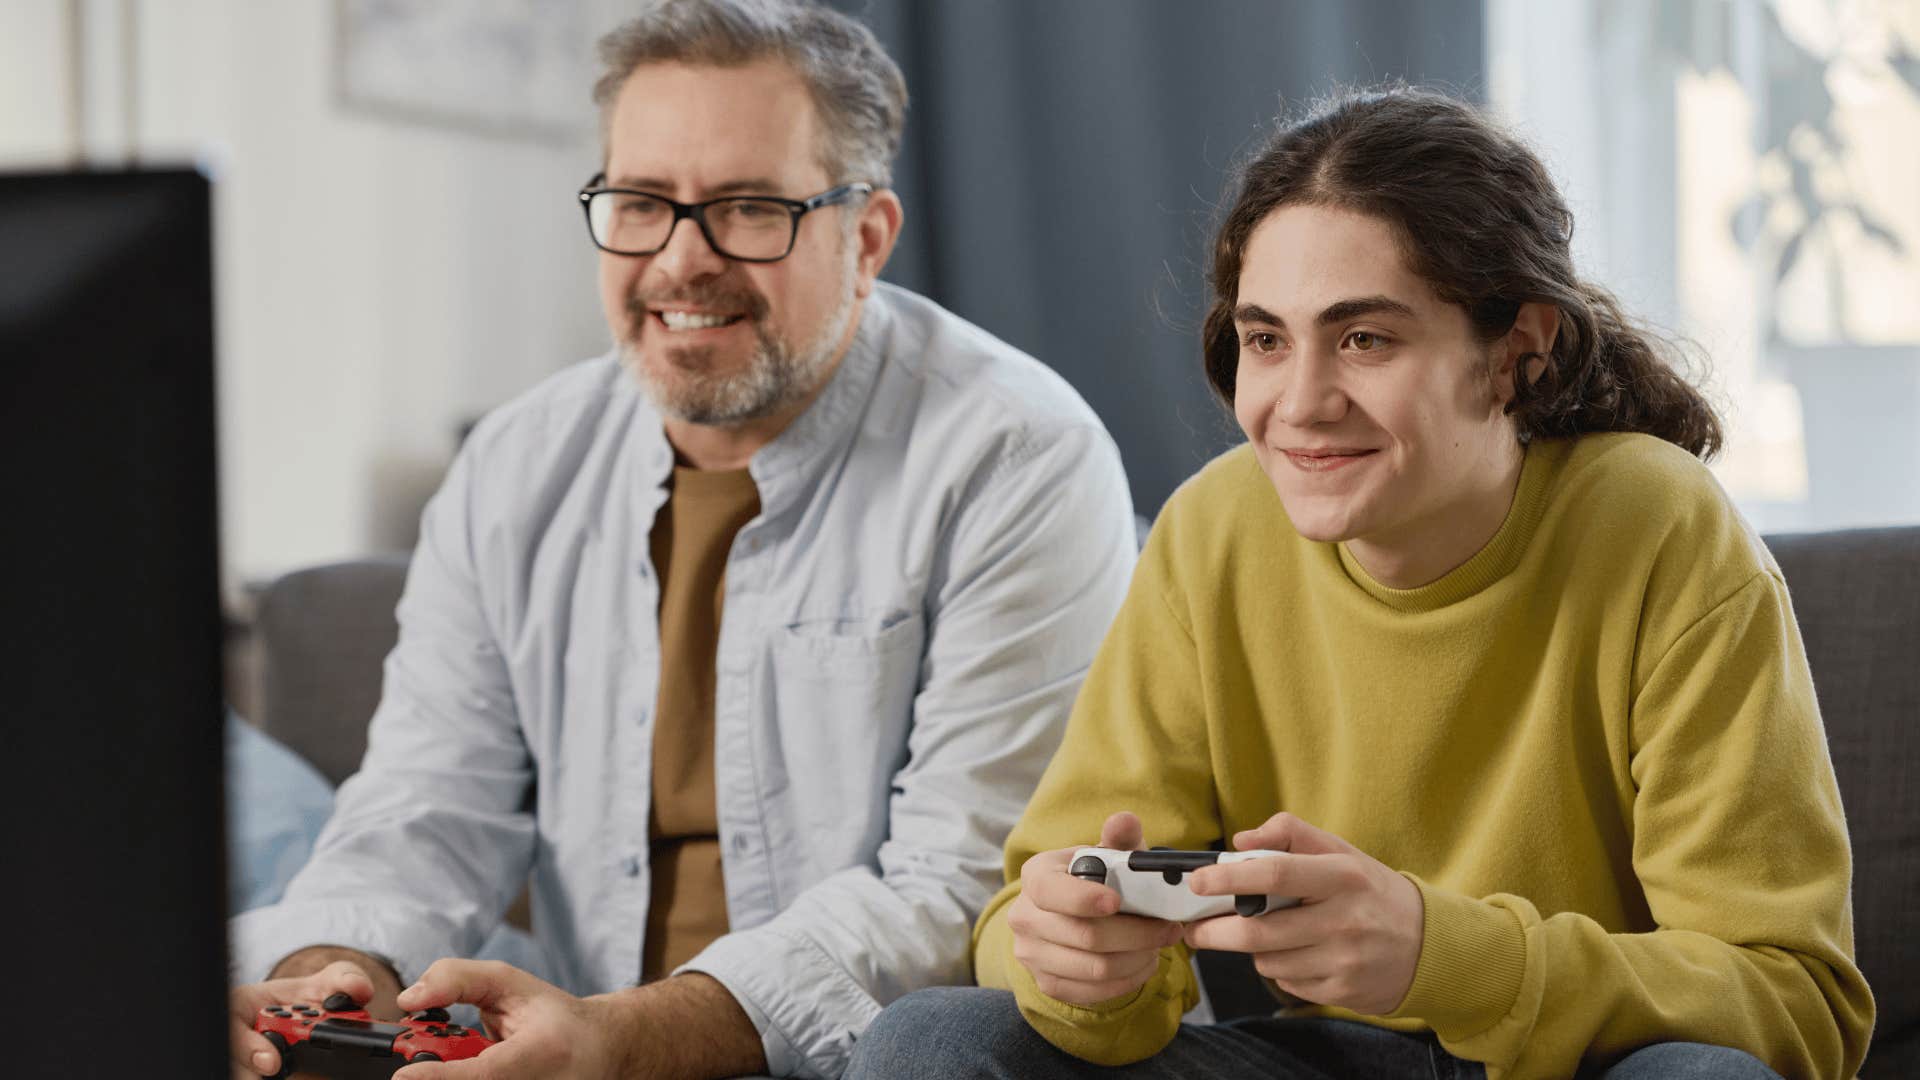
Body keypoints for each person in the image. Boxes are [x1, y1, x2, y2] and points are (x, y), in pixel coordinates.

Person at [845, 87, 1875, 1080]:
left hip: (1584, 1064)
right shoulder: (1214, 529)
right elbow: (1015, 933)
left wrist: (1444, 955)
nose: (1299, 404)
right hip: (1320, 1057)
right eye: (1265, 340)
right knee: (926, 1044)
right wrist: (1075, 966)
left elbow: (1794, 1007)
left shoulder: (1662, 527)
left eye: (1364, 338)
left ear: (1518, 351)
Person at [226, 2, 1136, 1077]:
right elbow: (426, 810)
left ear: (868, 237)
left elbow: (956, 894)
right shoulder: (517, 468)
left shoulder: (1020, 456)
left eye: (751, 209)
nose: (681, 260)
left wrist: (615, 1039)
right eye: (642, 203)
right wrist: (327, 978)